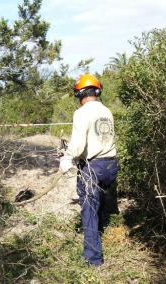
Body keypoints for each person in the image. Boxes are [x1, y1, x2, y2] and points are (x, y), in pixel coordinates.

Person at [59, 74, 119, 266]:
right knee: (101, 202)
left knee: (89, 210)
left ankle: (93, 259)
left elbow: (77, 145)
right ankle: (100, 233)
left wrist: (67, 158)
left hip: (93, 167)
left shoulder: (82, 113)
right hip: (111, 164)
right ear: (97, 91)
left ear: (81, 94)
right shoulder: (107, 111)